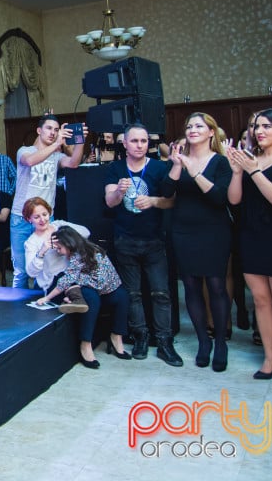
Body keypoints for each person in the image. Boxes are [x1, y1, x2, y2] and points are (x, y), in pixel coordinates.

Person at [226, 108, 272, 388]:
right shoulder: (250, 160)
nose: (259, 131)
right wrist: (237, 172)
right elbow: (234, 200)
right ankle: (270, 358)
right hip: (251, 236)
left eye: (266, 126)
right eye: (256, 126)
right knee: (260, 301)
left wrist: (253, 170)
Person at [104, 123, 181, 366]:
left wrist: (154, 201)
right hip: (125, 239)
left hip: (154, 239)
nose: (140, 145)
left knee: (161, 293)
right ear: (125, 143)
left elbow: (171, 201)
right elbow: (109, 202)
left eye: (144, 141)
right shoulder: (115, 168)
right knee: (133, 294)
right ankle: (140, 337)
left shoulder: (159, 167)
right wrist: (119, 192)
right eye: (135, 141)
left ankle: (165, 341)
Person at [161, 113, 233, 371]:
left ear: (211, 132)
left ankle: (220, 342)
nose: (192, 129)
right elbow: (166, 192)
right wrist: (177, 166)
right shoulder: (179, 159)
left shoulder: (220, 162)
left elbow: (219, 198)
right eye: (189, 126)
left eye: (199, 126)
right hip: (183, 230)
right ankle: (204, 341)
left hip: (214, 231)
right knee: (190, 287)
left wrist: (194, 171)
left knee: (216, 286)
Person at [10, 115, 87, 289]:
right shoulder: (25, 150)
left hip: (45, 219)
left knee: (46, 266)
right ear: (39, 130)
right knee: (21, 271)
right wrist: (57, 144)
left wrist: (80, 140)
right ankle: (17, 305)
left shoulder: (56, 156)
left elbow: (74, 163)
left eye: (56, 130)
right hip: (21, 217)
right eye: (49, 128)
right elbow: (30, 161)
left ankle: (42, 302)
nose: (53, 133)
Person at [40, 227, 132, 368]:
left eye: (59, 248)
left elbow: (75, 279)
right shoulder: (79, 254)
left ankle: (116, 336)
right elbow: (67, 279)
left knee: (122, 296)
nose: (58, 251)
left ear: (69, 243)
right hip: (93, 290)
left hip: (105, 289)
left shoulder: (86, 252)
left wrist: (47, 298)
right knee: (92, 299)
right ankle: (86, 344)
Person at [22, 197, 89, 310]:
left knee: (91, 295)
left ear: (49, 213)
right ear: (29, 219)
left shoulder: (59, 225)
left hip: (74, 275)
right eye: (37, 217)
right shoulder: (31, 242)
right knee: (85, 296)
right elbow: (31, 273)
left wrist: (65, 239)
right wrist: (42, 251)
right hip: (53, 283)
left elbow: (86, 232)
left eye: (44, 214)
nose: (42, 219)